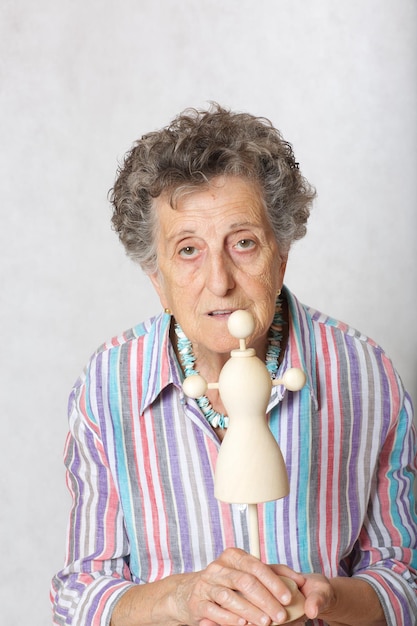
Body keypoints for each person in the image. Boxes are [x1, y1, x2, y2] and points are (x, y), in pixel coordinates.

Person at [51, 104, 417, 626]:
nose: (219, 281)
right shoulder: (108, 386)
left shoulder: (365, 375)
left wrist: (329, 598)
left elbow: (403, 575)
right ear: (157, 278)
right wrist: (181, 598)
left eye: (243, 243)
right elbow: (80, 593)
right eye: (188, 250)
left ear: (281, 254)